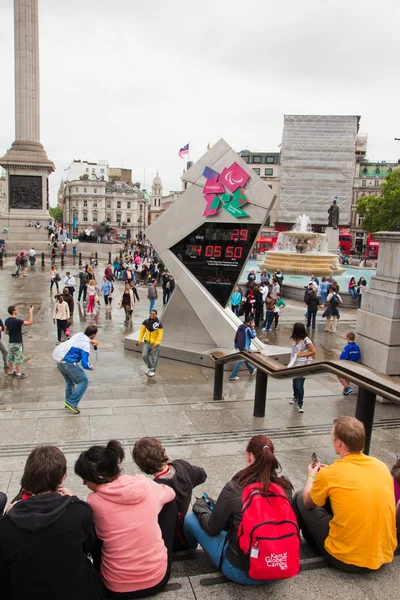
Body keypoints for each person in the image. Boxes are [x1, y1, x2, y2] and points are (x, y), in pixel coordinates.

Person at [184, 435, 299, 585]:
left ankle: (187, 552)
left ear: (249, 456)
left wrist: (200, 507)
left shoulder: (235, 488)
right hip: (282, 568)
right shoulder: (285, 486)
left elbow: (213, 528)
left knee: (190, 519)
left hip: (242, 572)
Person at [74, 440, 177, 599]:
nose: (84, 483)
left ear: (100, 477)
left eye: (86, 480)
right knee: (170, 505)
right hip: (157, 579)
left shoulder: (94, 501)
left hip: (115, 588)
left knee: (95, 527)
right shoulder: (145, 485)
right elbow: (170, 492)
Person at [293, 416, 397, 572]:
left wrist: (312, 476)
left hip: (346, 558)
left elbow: (308, 502)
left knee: (300, 497)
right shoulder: (380, 466)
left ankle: (291, 544)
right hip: (383, 554)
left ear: (339, 443)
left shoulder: (330, 474)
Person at [0, 445, 104, 600]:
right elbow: (90, 546)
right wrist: (74, 500)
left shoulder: (5, 527)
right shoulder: (80, 512)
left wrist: (9, 515)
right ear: (62, 478)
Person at [133, 437, 207, 550]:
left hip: (167, 539)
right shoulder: (182, 466)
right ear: (161, 451)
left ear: (142, 467)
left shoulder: (154, 489)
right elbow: (202, 474)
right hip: (184, 531)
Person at [53, 325, 98, 414]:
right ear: (93, 334)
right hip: (69, 364)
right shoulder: (85, 345)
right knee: (83, 381)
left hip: (60, 362)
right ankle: (72, 402)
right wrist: (91, 366)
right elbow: (84, 364)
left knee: (70, 383)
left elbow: (83, 339)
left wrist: (91, 341)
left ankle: (68, 404)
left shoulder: (79, 334)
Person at [288, 322, 316, 413]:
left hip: (303, 364)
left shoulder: (306, 340)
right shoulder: (294, 339)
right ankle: (295, 397)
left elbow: (313, 351)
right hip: (294, 363)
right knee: (294, 382)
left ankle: (300, 404)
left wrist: (302, 354)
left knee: (299, 384)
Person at [4, 305, 33, 378]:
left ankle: (10, 371)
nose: (17, 310)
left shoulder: (7, 320)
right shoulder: (17, 321)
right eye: (16, 309)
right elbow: (30, 322)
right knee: (17, 358)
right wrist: (30, 312)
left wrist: (12, 333)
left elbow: (5, 332)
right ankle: (18, 373)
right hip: (17, 342)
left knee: (11, 357)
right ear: (13, 311)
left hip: (11, 342)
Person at [229, 317, 257, 381]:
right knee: (240, 362)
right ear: (250, 322)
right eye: (253, 322)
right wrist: (253, 328)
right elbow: (253, 336)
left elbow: (237, 335)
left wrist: (235, 344)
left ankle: (252, 370)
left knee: (246, 358)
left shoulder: (240, 327)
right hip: (245, 347)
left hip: (240, 346)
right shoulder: (248, 329)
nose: (254, 323)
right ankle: (233, 375)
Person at [138, 309, 163, 377]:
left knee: (155, 358)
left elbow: (160, 335)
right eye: (151, 314)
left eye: (153, 314)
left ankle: (152, 370)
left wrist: (157, 342)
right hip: (146, 342)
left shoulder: (159, 324)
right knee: (144, 356)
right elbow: (142, 332)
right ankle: (149, 367)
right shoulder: (146, 322)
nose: (152, 315)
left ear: (156, 315)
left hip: (154, 344)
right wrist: (140, 340)